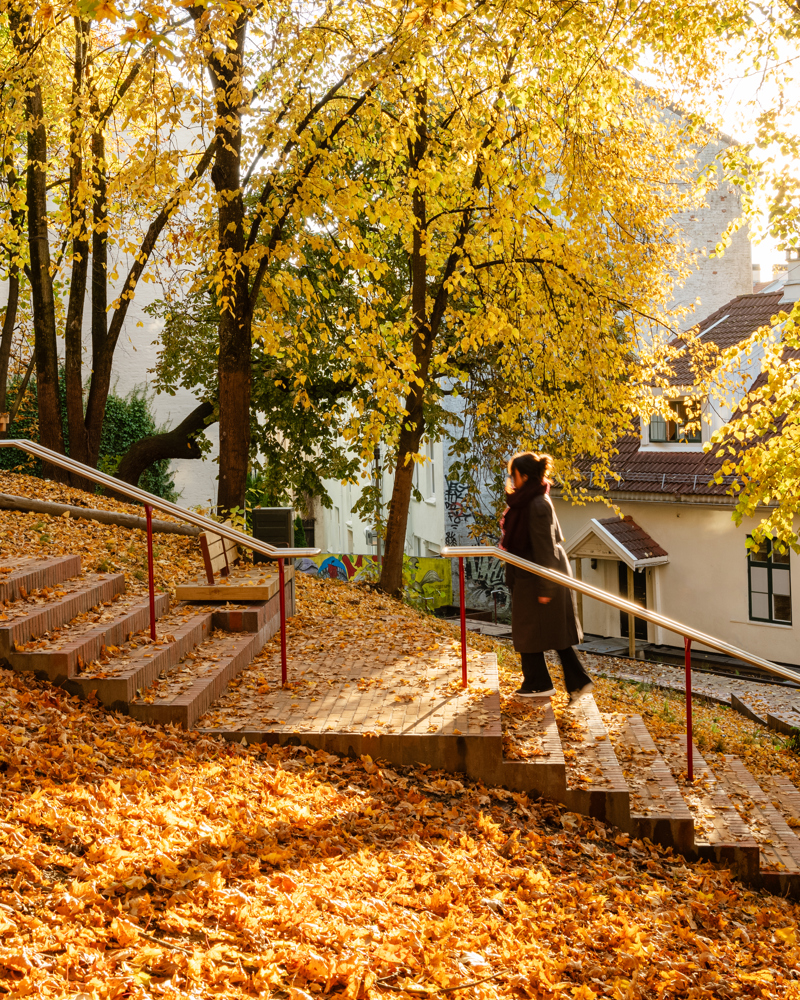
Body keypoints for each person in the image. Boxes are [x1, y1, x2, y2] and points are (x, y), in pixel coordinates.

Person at [499, 451, 594, 701]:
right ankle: (572, 682)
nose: (511, 479)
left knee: (532, 632)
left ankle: (538, 683)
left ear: (525, 476)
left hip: (539, 576)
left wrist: (546, 589)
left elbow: (545, 548)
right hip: (531, 574)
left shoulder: (537, 504)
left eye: (514, 474)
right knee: (547, 633)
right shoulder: (529, 500)